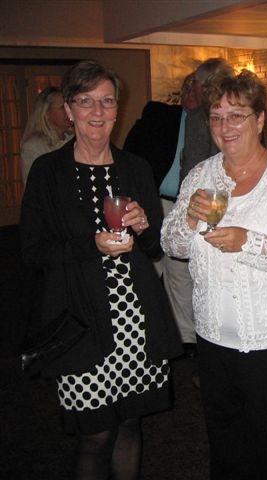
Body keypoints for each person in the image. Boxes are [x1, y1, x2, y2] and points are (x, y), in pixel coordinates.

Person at [161, 69, 267, 479]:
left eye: (236, 115)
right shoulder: (201, 176)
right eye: (216, 116)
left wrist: (248, 243)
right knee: (225, 445)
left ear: (260, 120)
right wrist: (186, 219)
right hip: (214, 339)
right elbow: (172, 246)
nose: (224, 126)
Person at [20, 60, 182, 480]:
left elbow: (152, 247)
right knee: (94, 436)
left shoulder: (135, 168)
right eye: (85, 101)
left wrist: (146, 226)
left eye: (106, 101)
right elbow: (32, 251)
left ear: (117, 109)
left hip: (135, 320)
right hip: (80, 319)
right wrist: (89, 246)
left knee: (130, 422)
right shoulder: (48, 172)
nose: (97, 111)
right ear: (69, 110)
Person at [123, 72, 200, 363]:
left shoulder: (211, 124)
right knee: (149, 267)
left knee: (179, 273)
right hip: (156, 204)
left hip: (187, 208)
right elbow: (132, 153)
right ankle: (140, 330)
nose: (189, 91)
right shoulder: (160, 115)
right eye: (186, 86)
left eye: (196, 86)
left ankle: (184, 339)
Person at [20, 85, 73, 186]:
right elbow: (34, 187)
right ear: (46, 112)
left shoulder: (75, 141)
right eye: (62, 107)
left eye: (69, 106)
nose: (68, 111)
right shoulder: (33, 147)